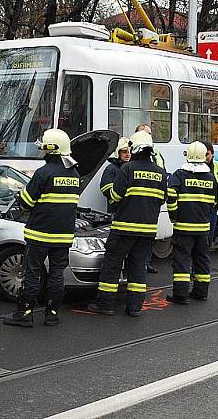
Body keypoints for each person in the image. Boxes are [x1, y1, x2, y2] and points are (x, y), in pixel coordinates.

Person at [4, 129, 80, 327]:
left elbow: (27, 203)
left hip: (39, 234)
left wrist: (20, 196)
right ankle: (52, 313)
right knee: (57, 273)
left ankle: (24, 313)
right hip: (63, 236)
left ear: (51, 149)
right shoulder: (74, 174)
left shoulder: (43, 173)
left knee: (32, 272)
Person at [88, 130, 167, 317]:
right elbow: (163, 198)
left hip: (124, 228)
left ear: (136, 149)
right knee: (138, 267)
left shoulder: (127, 169)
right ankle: (134, 307)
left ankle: (105, 304)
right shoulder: (160, 172)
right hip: (147, 231)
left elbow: (115, 196)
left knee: (112, 265)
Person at [166, 141, 218, 304]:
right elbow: (215, 202)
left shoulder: (180, 174)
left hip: (183, 228)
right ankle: (201, 291)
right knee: (202, 259)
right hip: (203, 228)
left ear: (187, 156)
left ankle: (180, 295)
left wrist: (173, 215)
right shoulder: (210, 177)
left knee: (182, 260)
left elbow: (170, 194)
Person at [134, 123, 163, 273]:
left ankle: (146, 262)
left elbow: (163, 173)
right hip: (137, 202)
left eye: (150, 134)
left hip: (152, 202)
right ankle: (138, 264)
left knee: (149, 235)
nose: (148, 137)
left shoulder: (157, 153)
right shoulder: (133, 150)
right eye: (145, 134)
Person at [100, 137, 130, 214]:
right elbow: (105, 189)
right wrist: (116, 201)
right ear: (118, 153)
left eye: (129, 152)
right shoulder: (111, 169)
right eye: (124, 152)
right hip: (116, 210)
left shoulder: (132, 168)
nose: (128, 154)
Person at [204, 142, 218, 247]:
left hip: (213, 207)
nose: (205, 157)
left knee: (208, 238)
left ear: (212, 154)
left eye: (207, 154)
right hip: (200, 208)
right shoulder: (196, 167)